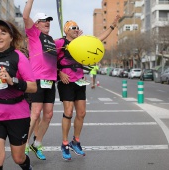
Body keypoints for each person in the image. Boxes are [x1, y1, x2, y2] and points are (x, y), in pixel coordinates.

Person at [55, 15, 120, 160]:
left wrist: (112, 26)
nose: (76, 30)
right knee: (68, 112)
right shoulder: (60, 42)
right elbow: (47, 58)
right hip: (66, 82)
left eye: (77, 28)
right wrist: (59, 73)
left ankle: (75, 141)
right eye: (73, 28)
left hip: (79, 80)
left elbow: (98, 39)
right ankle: (64, 143)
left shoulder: (82, 42)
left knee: (82, 113)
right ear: (66, 30)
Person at [0, 19, 37, 170]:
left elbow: (33, 87)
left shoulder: (18, 57)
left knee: (18, 158)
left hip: (17, 114)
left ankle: (27, 167)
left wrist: (12, 80)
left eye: (3, 33)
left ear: (11, 37)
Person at [23, 0, 57, 160]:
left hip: (51, 81)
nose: (47, 23)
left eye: (49, 20)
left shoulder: (51, 39)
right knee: (35, 113)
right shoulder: (34, 35)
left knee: (48, 115)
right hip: (37, 80)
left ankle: (37, 144)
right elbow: (25, 16)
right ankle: (23, 144)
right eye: (44, 20)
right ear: (36, 24)